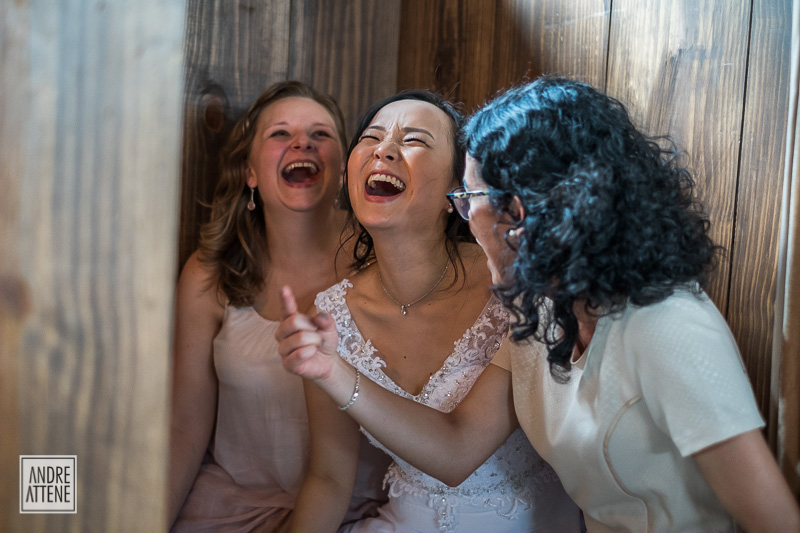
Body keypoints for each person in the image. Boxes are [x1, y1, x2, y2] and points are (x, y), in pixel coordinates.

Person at [277, 77, 800, 532]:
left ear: (520, 212)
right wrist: (329, 368)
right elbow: (457, 449)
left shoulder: (668, 325)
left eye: (469, 198)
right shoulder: (541, 316)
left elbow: (772, 521)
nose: (467, 217)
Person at [280, 89, 581, 533]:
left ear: (455, 191)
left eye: (414, 140)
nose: (384, 149)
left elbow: (458, 454)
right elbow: (328, 478)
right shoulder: (331, 315)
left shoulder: (513, 280)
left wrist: (333, 372)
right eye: (371, 137)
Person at [168, 81, 390, 532]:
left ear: (344, 169)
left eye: (321, 134)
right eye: (279, 134)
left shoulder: (382, 258)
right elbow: (185, 428)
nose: (302, 142)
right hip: (231, 510)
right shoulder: (207, 275)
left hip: (358, 511)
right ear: (249, 172)